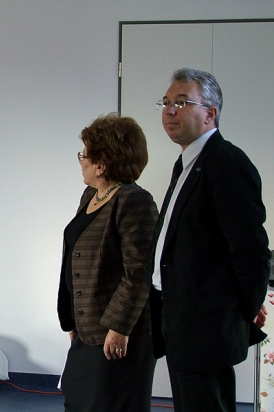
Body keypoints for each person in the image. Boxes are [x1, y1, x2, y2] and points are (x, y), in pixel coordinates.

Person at [149, 68, 271, 412]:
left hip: (207, 326)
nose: (169, 111)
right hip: (180, 317)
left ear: (210, 113)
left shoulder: (227, 162)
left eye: (181, 102)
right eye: (166, 102)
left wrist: (243, 310)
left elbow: (251, 250)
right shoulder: (188, 162)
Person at [57, 113, 158, 412]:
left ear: (101, 164)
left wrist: (118, 327)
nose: (81, 162)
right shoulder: (91, 194)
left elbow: (138, 272)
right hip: (87, 327)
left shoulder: (134, 201)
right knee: (78, 401)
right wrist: (73, 317)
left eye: (84, 156)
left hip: (118, 334)